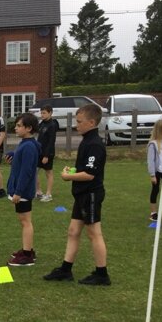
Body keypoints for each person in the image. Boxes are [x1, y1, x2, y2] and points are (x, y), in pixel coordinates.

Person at [43, 103, 110, 286]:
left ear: (91, 122)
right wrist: (73, 171)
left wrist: (68, 176)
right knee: (73, 231)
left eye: (79, 122)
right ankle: (65, 270)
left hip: (91, 195)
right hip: (81, 195)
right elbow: (85, 168)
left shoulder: (95, 144)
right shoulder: (86, 141)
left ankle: (102, 274)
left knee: (94, 233)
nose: (76, 125)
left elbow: (90, 174)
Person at [5, 113, 41, 267]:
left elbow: (27, 171)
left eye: (19, 126)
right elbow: (23, 162)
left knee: (25, 221)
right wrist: (14, 157)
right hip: (21, 190)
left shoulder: (29, 146)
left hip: (23, 192)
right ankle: (28, 250)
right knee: (24, 221)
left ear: (29, 128)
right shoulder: (25, 143)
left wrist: (18, 192)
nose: (16, 128)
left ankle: (27, 255)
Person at [35, 104, 58, 202]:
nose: (42, 115)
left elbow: (51, 141)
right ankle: (38, 192)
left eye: (44, 113)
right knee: (34, 171)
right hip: (39, 152)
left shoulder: (52, 125)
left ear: (50, 113)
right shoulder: (42, 123)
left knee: (48, 173)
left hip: (48, 153)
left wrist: (46, 155)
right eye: (41, 113)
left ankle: (48, 194)